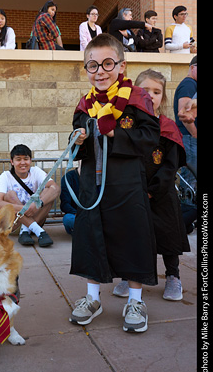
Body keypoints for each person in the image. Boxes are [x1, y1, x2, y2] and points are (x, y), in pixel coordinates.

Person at [68, 33, 160, 332]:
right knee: (92, 235)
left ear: (122, 65)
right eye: (92, 65)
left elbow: (149, 139)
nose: (100, 71)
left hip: (127, 184)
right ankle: (92, 298)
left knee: (132, 236)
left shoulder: (137, 99)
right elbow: (77, 147)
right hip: (92, 186)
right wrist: (78, 139)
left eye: (108, 63)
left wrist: (113, 134)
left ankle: (135, 300)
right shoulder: (85, 105)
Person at [114, 69, 190, 301]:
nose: (150, 95)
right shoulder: (126, 125)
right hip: (132, 192)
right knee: (132, 236)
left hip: (161, 193)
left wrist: (152, 190)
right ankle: (130, 275)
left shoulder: (167, 126)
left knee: (167, 236)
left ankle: (173, 276)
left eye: (156, 92)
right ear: (134, 92)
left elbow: (170, 165)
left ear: (163, 98)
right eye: (145, 90)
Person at [0, 144, 60, 247]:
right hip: (15, 224)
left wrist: (38, 204)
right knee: (9, 195)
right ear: (12, 162)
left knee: (48, 192)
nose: (23, 163)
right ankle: (39, 232)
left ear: (31, 160)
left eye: (26, 159)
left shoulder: (36, 171)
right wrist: (25, 208)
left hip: (37, 218)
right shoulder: (5, 176)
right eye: (18, 159)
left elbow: (55, 188)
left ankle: (26, 230)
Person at [173, 55, 197, 205]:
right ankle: (187, 215)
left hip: (189, 137)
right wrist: (195, 134)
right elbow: (185, 114)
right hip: (188, 137)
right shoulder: (189, 84)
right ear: (193, 67)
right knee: (190, 179)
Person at [60, 163, 80, 235]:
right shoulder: (69, 177)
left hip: (94, 216)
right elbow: (64, 204)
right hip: (75, 215)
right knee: (68, 219)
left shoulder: (98, 177)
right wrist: (76, 213)